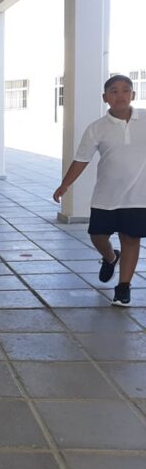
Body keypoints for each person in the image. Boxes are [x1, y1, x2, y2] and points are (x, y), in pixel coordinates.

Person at [53, 74, 146, 307]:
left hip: (138, 196)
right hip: (106, 195)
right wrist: (65, 185)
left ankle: (123, 287)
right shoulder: (97, 128)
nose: (120, 95)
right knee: (97, 235)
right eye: (114, 91)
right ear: (105, 98)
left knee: (131, 238)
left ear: (133, 94)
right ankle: (110, 257)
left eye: (125, 90)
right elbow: (81, 159)